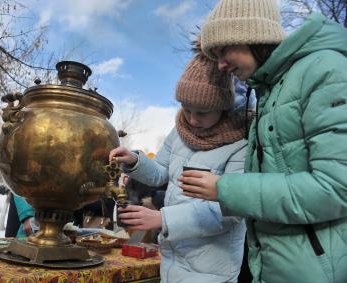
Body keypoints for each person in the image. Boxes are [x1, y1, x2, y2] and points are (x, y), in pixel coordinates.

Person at [181, 1, 347, 282]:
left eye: (223, 50)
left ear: (251, 34)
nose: (220, 65)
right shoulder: (270, 91)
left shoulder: (325, 70)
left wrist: (225, 188)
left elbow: (336, 189)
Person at [110, 43, 250, 282]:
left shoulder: (242, 143)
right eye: (186, 109)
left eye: (203, 112)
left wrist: (163, 219)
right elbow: (161, 172)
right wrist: (134, 161)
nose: (192, 120)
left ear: (223, 108)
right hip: (172, 259)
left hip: (212, 268)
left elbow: (231, 210)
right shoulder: (181, 131)